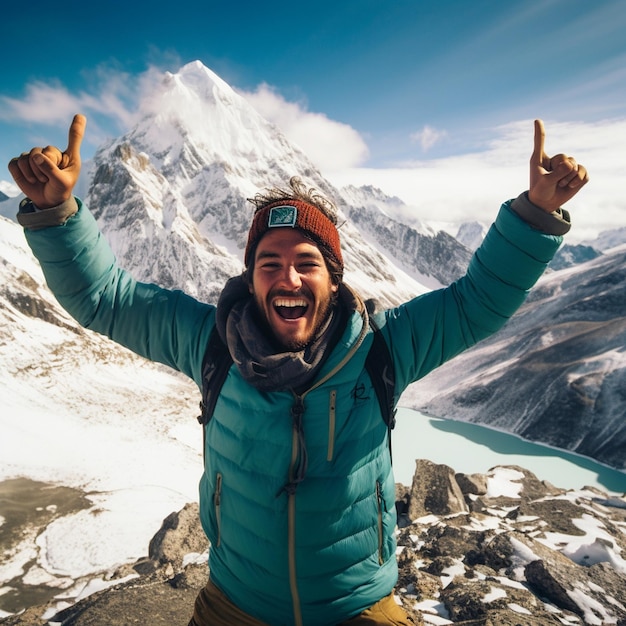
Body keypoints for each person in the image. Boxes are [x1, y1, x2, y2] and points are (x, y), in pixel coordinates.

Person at [8, 115, 588, 626]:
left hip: (356, 605)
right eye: (270, 263)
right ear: (250, 277)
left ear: (333, 278)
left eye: (306, 263)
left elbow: (475, 301)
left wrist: (534, 215)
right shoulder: (210, 344)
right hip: (237, 604)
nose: (288, 279)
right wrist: (56, 213)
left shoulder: (382, 348)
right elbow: (109, 299)